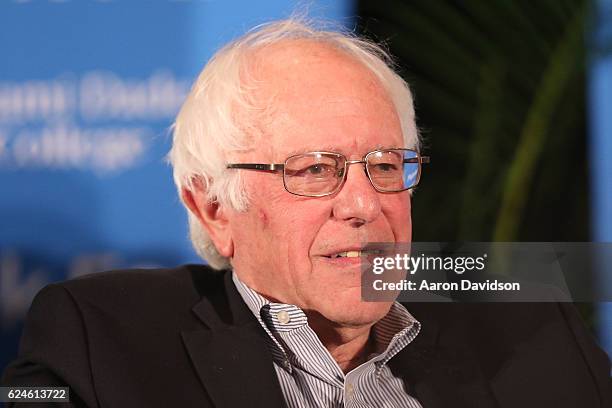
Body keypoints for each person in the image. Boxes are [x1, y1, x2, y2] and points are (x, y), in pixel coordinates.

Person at [2, 18, 611, 408]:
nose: (364, 204)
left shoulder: (522, 315)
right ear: (213, 207)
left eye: (383, 164)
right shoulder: (101, 336)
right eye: (315, 170)